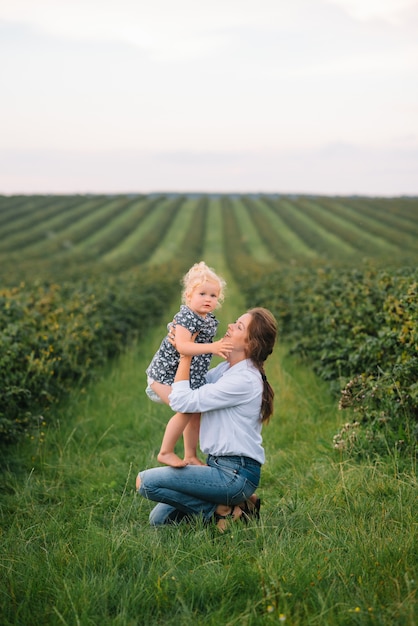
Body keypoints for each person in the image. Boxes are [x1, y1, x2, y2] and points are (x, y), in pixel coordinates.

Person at [137, 307, 277, 531]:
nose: (230, 326)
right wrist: (178, 341)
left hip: (235, 474)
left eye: (239, 326)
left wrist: (186, 355)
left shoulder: (243, 380)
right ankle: (240, 503)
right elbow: (189, 389)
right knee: (159, 520)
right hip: (218, 466)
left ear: (251, 344)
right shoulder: (226, 370)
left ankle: (226, 510)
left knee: (145, 483)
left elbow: (182, 402)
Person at [145, 261, 233, 468]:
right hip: (164, 375)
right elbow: (183, 347)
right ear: (189, 296)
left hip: (185, 377)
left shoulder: (207, 319)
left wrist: (217, 349)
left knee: (195, 412)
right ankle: (165, 452)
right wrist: (213, 347)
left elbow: (201, 347)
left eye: (213, 296)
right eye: (202, 294)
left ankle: (190, 456)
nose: (208, 299)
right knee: (185, 408)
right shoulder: (187, 316)